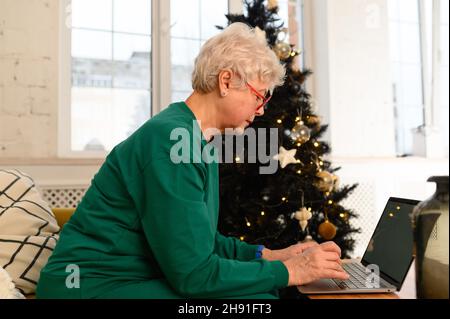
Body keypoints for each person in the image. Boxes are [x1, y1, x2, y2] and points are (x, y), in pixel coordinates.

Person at [36, 22, 349, 299]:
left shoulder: (192, 138)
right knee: (255, 298)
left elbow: (199, 241)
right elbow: (195, 275)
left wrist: (270, 256)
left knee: (258, 290)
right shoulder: (171, 141)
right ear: (226, 81)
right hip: (87, 287)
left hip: (122, 279)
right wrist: (291, 272)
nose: (262, 109)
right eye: (260, 96)